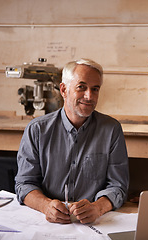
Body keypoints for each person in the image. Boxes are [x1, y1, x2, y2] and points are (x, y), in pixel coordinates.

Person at [15, 58, 129, 224]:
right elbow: (24, 184)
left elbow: (118, 186)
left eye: (95, 89)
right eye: (81, 87)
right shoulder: (37, 130)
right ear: (63, 89)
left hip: (95, 224)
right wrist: (45, 206)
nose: (89, 96)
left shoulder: (111, 130)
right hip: (46, 223)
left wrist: (97, 207)